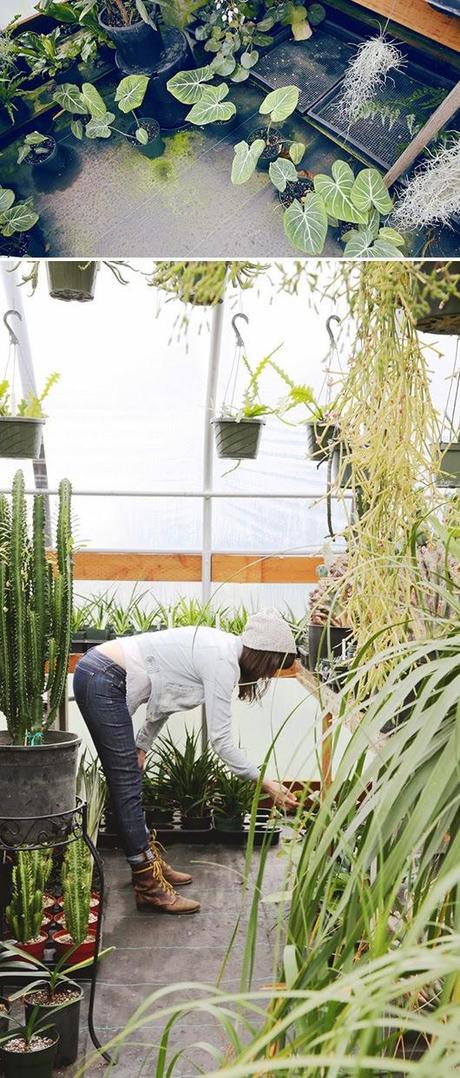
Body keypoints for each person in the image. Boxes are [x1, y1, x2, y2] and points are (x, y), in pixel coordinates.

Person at [73, 608, 299, 915]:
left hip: (103, 673)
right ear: (262, 656)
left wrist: (141, 744)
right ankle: (148, 887)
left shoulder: (221, 650)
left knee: (129, 778)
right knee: (125, 782)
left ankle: (148, 865)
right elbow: (221, 741)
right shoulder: (222, 662)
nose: (269, 675)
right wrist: (265, 782)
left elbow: (164, 697)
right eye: (273, 667)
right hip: (103, 677)